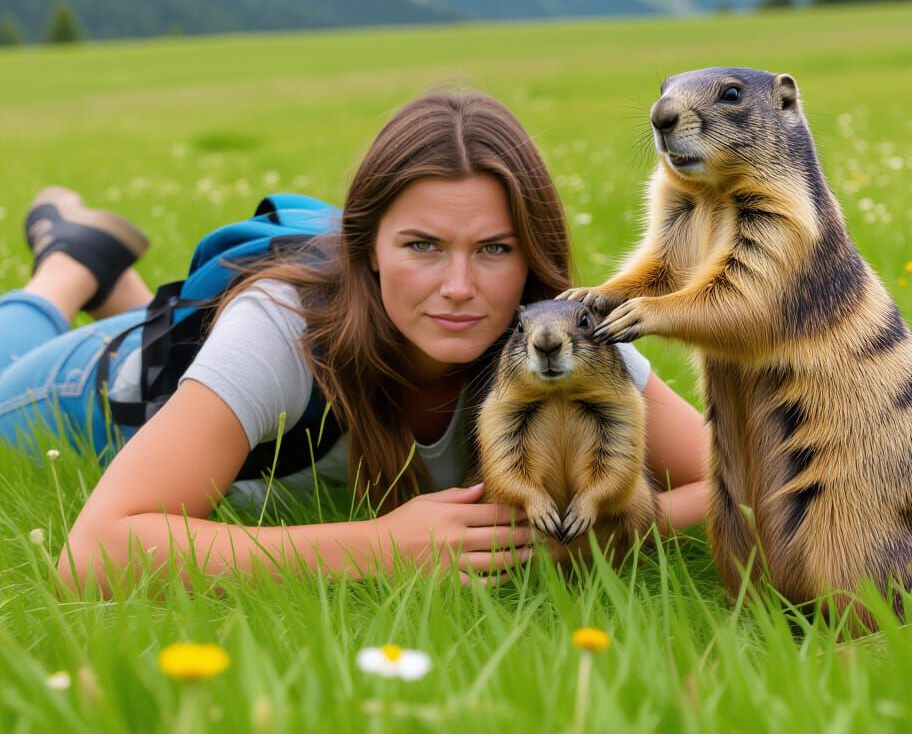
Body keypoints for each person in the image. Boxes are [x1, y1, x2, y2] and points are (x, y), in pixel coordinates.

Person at [0, 92, 709, 594]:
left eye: (494, 249)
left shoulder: (558, 333)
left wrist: (600, 538)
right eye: (422, 246)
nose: (460, 287)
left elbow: (742, 477)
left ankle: (117, 286)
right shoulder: (283, 327)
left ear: (531, 258)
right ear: (366, 249)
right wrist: (375, 547)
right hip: (81, 392)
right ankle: (66, 268)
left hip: (197, 357)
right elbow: (91, 555)